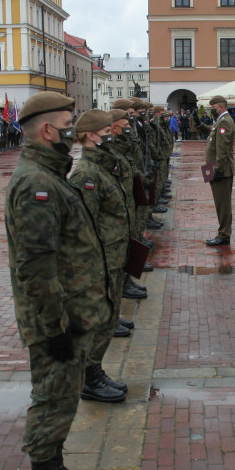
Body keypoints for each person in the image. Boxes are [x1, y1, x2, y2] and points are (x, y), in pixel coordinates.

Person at [5, 92, 112, 470]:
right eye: (68, 123)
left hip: (69, 313)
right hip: (56, 320)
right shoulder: (37, 184)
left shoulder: (48, 175)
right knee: (51, 397)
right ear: (48, 130)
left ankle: (56, 467)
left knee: (63, 397)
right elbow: (36, 266)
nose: (74, 130)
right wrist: (55, 328)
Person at [69, 109, 130, 403]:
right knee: (100, 320)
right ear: (91, 135)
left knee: (109, 319)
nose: (112, 134)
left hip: (114, 255)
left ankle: (96, 372)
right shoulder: (86, 174)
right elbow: (84, 224)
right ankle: (89, 378)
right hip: (102, 259)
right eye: (106, 131)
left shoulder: (103, 166)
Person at [204, 96, 235, 246]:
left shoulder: (224, 121)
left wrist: (217, 169)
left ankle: (224, 234)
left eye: (213, 107)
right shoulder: (220, 121)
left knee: (223, 204)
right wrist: (199, 125)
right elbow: (213, 136)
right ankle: (223, 232)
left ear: (221, 107)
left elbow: (222, 150)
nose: (211, 110)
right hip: (213, 167)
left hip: (219, 169)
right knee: (219, 202)